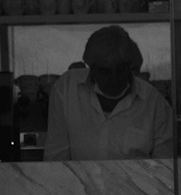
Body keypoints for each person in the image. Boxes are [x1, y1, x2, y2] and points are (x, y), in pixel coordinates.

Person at [44, 25, 173, 161]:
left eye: (120, 69)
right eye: (105, 72)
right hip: (78, 182)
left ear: (130, 67)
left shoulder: (153, 101)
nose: (114, 79)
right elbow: (56, 160)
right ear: (91, 68)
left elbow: (165, 166)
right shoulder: (66, 89)